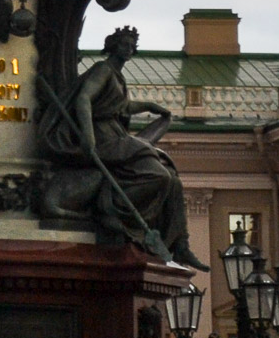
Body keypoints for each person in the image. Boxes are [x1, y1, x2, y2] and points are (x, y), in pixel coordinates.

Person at [40, 27, 209, 270]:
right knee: (158, 174)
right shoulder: (103, 70)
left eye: (131, 45)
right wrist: (88, 136)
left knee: (172, 178)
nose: (128, 48)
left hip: (115, 135)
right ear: (112, 45)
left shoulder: (116, 76)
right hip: (104, 138)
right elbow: (84, 98)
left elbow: (120, 107)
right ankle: (111, 209)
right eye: (124, 44)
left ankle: (180, 245)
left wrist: (149, 106)